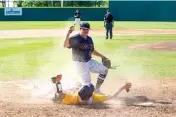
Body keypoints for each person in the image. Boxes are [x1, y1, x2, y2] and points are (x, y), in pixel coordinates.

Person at [63, 22, 109, 93]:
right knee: (87, 86)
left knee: (104, 70)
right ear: (80, 29)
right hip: (80, 64)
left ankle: (97, 89)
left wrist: (102, 56)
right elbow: (65, 45)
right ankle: (73, 89)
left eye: (87, 29)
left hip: (89, 61)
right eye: (84, 29)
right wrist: (68, 34)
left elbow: (92, 50)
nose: (86, 31)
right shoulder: (75, 38)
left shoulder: (89, 39)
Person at [51, 74, 132, 105]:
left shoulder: (72, 99)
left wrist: (58, 82)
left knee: (58, 97)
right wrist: (122, 87)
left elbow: (60, 94)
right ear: (90, 95)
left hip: (76, 90)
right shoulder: (94, 98)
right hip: (75, 89)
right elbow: (111, 97)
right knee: (73, 87)